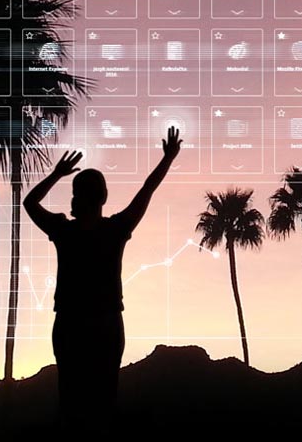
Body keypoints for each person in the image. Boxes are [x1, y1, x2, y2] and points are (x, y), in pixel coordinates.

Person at [23, 125, 183, 431]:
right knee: (103, 400)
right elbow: (147, 189)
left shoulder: (63, 231)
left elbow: (30, 203)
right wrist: (168, 158)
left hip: (71, 323)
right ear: (104, 197)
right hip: (106, 323)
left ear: (76, 198)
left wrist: (57, 174)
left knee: (71, 398)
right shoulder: (115, 229)